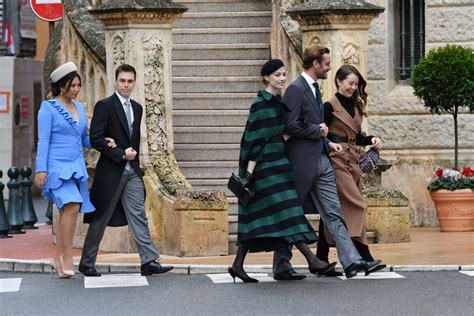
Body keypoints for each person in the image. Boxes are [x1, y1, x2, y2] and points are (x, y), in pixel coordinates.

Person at [272, 47, 382, 279]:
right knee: (292, 213)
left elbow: (321, 129)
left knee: (334, 213)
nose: (330, 67)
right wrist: (317, 130)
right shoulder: (295, 89)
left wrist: (328, 143)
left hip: (322, 159)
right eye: (326, 63)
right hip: (302, 162)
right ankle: (282, 265)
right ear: (315, 64)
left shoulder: (314, 89)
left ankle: (351, 262)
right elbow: (289, 125)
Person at [229, 59, 336, 283]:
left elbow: (282, 133)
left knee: (267, 218)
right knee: (288, 214)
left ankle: (238, 265)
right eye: (277, 75)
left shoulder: (277, 103)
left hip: (279, 166)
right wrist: (248, 175)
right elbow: (253, 142)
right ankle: (312, 261)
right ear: (266, 77)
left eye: (284, 74)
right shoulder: (260, 105)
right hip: (264, 171)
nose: (281, 78)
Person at [79, 64, 173, 277]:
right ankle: (86, 263)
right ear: (115, 81)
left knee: (138, 215)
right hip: (111, 172)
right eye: (122, 81)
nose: (126, 85)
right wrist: (120, 153)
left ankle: (148, 261)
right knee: (100, 218)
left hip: (132, 171)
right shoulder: (105, 105)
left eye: (130, 81)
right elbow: (95, 138)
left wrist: (131, 159)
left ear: (134, 82)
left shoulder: (138, 108)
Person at [35, 62, 114, 278]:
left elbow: (84, 139)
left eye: (79, 85)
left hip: (76, 166)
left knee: (67, 212)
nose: (77, 89)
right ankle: (67, 257)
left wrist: (102, 142)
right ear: (62, 86)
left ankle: (58, 258)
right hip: (56, 166)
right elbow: (43, 140)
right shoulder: (48, 107)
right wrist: (40, 169)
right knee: (72, 205)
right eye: (73, 85)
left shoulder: (79, 108)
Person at [315, 64, 385, 273]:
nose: (353, 87)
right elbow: (321, 133)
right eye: (350, 83)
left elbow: (356, 135)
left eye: (356, 84)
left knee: (333, 210)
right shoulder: (328, 106)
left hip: (353, 159)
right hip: (336, 160)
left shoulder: (354, 105)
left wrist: (370, 139)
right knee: (357, 204)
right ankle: (363, 254)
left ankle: (321, 256)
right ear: (338, 81)